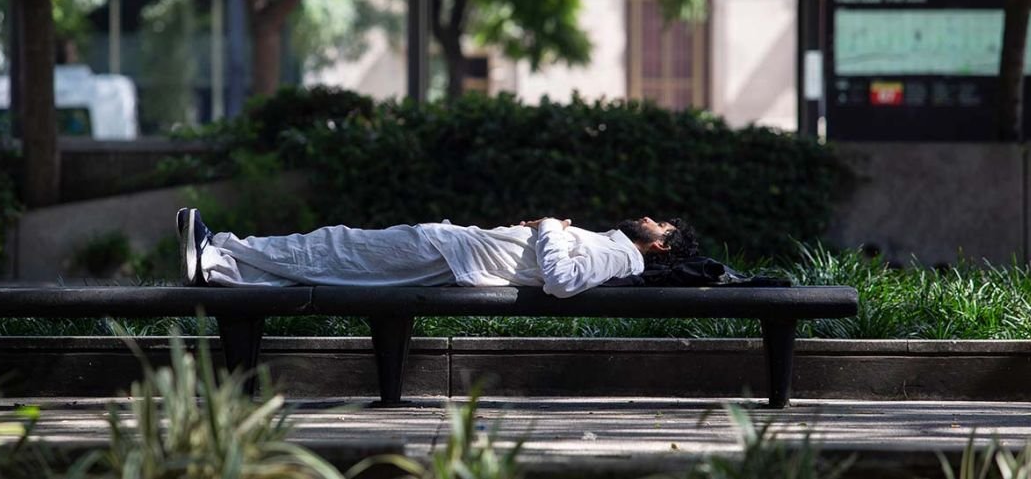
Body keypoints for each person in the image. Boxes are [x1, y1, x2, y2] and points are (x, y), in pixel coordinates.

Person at [176, 208, 698, 298]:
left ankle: (220, 254)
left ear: (657, 245)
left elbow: (560, 280)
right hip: (454, 250)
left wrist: (551, 228)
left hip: (452, 255)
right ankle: (218, 264)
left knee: (336, 248)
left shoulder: (621, 256)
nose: (648, 218)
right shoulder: (614, 250)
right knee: (337, 256)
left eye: (659, 223)